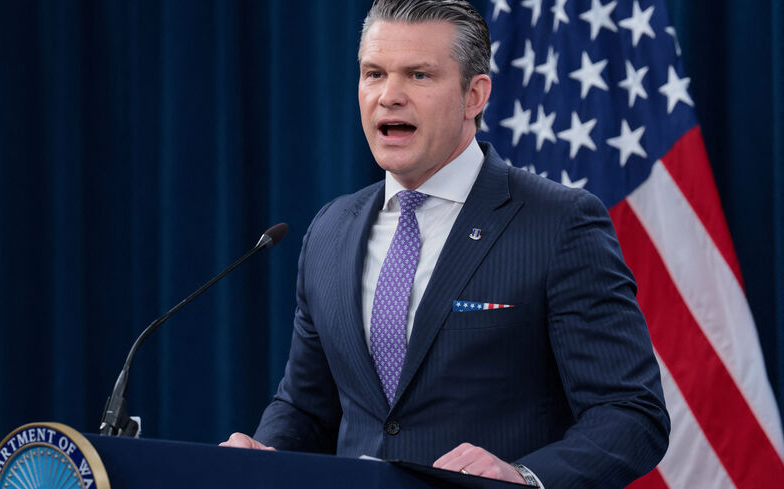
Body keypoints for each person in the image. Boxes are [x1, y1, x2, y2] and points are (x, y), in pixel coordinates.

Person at [221, 1, 669, 487]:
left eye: (417, 75)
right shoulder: (331, 230)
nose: (388, 96)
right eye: (374, 74)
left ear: (474, 95)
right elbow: (308, 408)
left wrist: (522, 476)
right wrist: (263, 456)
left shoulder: (559, 223)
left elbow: (630, 412)